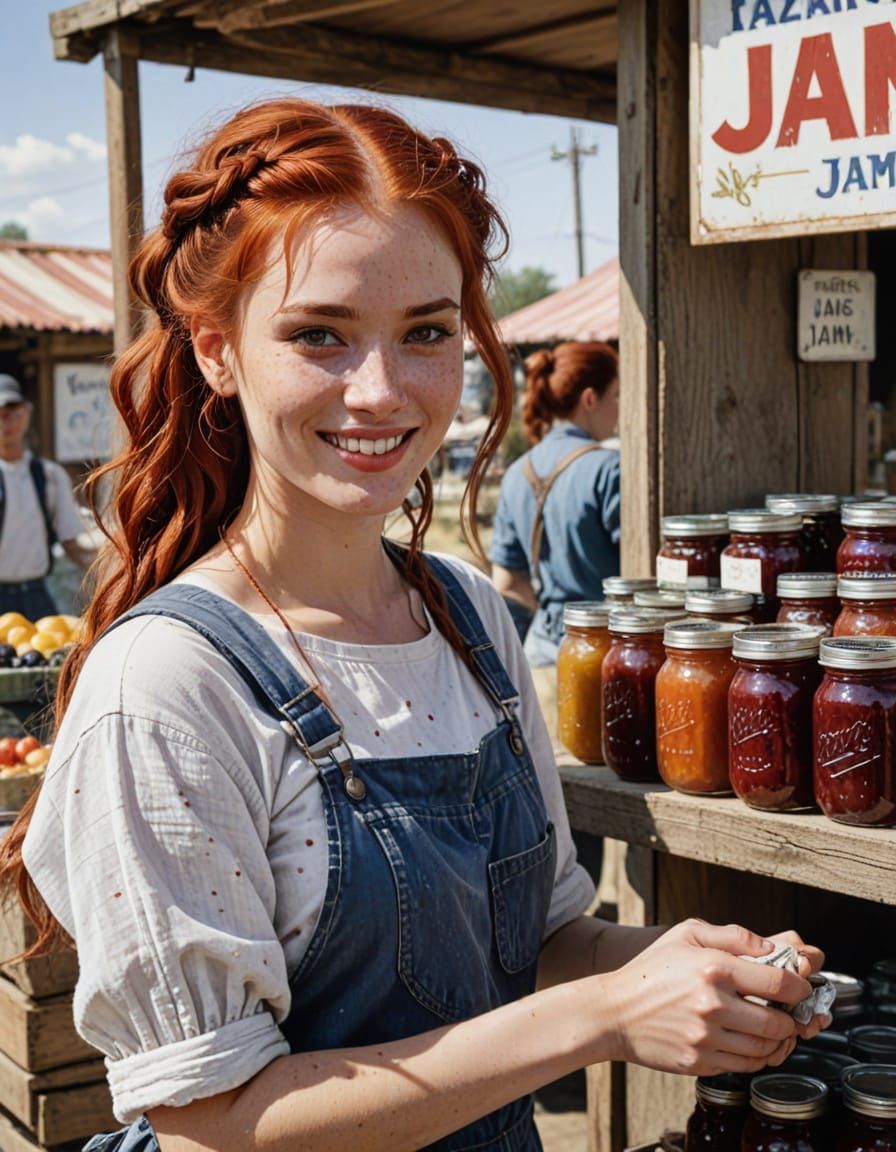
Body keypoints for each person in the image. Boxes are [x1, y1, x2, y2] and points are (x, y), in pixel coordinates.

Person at [0, 99, 826, 1152]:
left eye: (426, 332)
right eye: (318, 336)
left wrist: (666, 962)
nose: (380, 391)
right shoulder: (168, 683)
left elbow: (533, 942)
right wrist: (603, 1019)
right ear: (215, 351)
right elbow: (213, 1125)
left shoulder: (468, 615)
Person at [491, 342, 621, 667]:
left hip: (542, 651)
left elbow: (508, 584)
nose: (620, 408)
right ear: (590, 399)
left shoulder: (517, 473)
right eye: (616, 395)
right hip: (606, 652)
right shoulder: (610, 470)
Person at [0, 374, 95, 619]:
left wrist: (110, 570)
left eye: (12, 410)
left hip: (37, 595)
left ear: (26, 413)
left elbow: (71, 543)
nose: (5, 421)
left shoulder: (50, 476)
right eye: (0, 412)